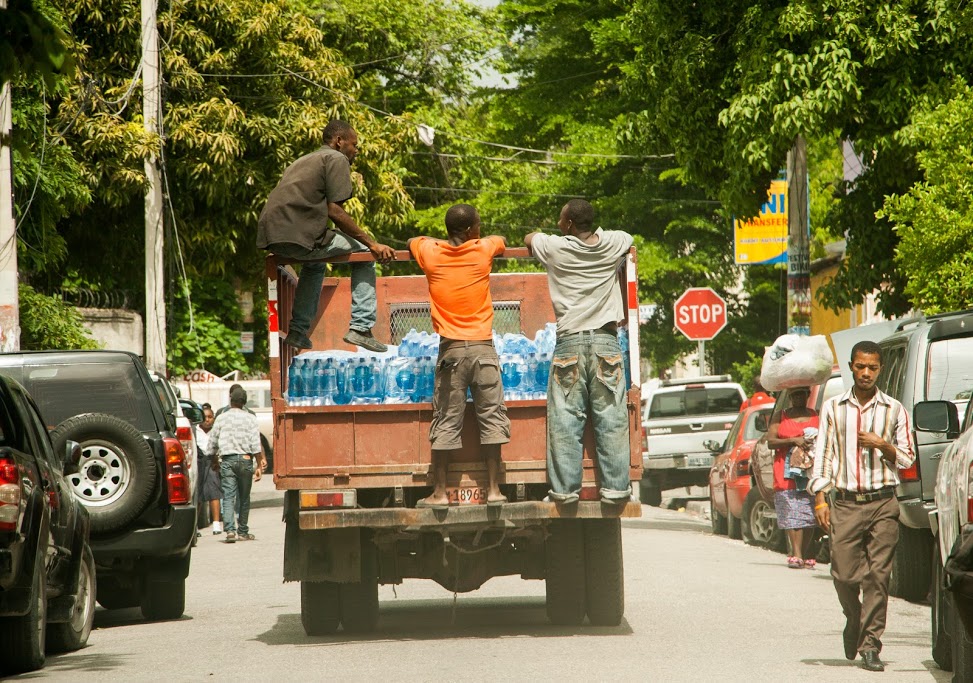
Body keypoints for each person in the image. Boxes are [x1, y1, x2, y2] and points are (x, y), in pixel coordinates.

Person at [809, 341, 915, 673]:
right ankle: (853, 619)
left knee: (878, 576)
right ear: (852, 367)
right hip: (846, 503)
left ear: (880, 369)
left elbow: (908, 458)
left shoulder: (895, 409)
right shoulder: (833, 407)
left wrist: (883, 445)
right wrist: (820, 498)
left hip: (883, 502)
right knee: (842, 573)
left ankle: (870, 644)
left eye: (872, 367)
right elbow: (823, 456)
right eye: (860, 366)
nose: (866, 373)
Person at [525, 198, 633, 504]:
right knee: (611, 419)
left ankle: (563, 491)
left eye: (561, 220)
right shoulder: (613, 243)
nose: (559, 225)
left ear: (570, 224)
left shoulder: (556, 248)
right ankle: (615, 490)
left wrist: (544, 235)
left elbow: (529, 239)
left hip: (569, 343)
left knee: (565, 420)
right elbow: (627, 238)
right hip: (606, 343)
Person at [257, 119, 395, 352]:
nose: (356, 151)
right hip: (300, 233)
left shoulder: (302, 160)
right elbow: (336, 211)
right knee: (364, 253)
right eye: (354, 144)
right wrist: (372, 243)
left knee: (315, 263)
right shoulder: (337, 158)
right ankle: (361, 327)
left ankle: (298, 332)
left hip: (272, 235)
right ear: (339, 141)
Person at [408, 204, 509, 509]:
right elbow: (500, 240)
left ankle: (439, 494)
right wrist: (479, 240)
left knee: (446, 422)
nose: (480, 229)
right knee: (491, 418)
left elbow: (413, 241)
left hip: (450, 350)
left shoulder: (431, 253)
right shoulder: (481, 252)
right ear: (469, 231)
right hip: (483, 350)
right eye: (477, 225)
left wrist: (437, 242)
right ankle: (493, 491)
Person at [765, 386, 818, 569]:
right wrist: (793, 440)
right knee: (792, 509)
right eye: (794, 395)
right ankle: (796, 554)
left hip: (810, 469)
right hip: (785, 470)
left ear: (808, 395)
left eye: (801, 394)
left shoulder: (816, 415)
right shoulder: (781, 416)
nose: (797, 398)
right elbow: (770, 442)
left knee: (809, 511)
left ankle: (805, 552)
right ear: (789, 397)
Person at [205, 386, 264, 543]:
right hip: (245, 460)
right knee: (244, 498)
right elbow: (256, 444)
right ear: (244, 402)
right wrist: (259, 465)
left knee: (229, 496)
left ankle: (230, 531)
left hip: (228, 461)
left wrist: (213, 460)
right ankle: (243, 531)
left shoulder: (222, 418)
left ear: (231, 400)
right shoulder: (250, 418)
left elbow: (212, 442)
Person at [195, 403, 225, 535]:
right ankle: (194, 526)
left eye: (210, 417)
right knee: (198, 494)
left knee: (214, 491)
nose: (207, 420)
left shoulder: (216, 430)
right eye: (205, 417)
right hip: (198, 462)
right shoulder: (194, 430)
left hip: (212, 462)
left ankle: (216, 524)